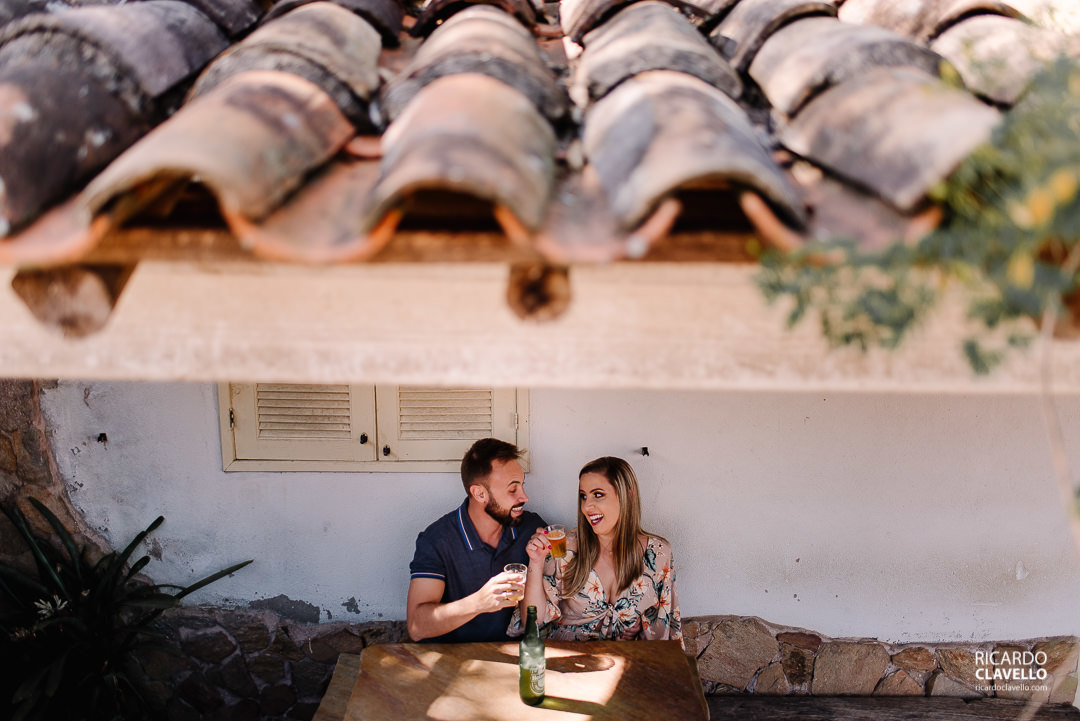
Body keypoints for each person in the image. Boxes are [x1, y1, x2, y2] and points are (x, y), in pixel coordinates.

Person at [512, 456, 680, 642]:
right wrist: (536, 562)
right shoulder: (564, 546)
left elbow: (662, 630)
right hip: (569, 656)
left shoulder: (658, 553)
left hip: (625, 657)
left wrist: (638, 629)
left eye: (598, 495)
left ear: (628, 496)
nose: (587, 506)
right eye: (583, 496)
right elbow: (533, 622)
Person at [407, 437, 545, 642]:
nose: (524, 497)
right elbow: (416, 627)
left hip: (513, 656)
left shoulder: (531, 529)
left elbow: (536, 621)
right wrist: (478, 603)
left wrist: (537, 562)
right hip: (452, 657)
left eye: (522, 485)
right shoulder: (437, 540)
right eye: (512, 489)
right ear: (480, 493)